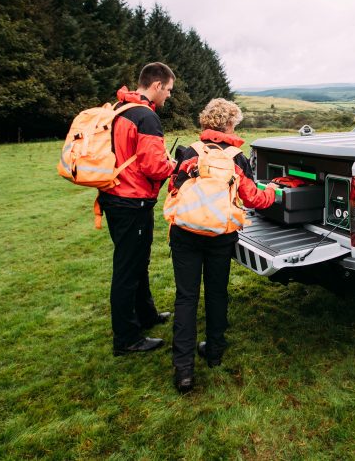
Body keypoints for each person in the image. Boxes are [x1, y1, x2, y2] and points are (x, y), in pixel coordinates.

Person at [166, 98, 278, 393]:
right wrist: (273, 192)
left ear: (206, 122)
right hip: (220, 236)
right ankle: (214, 352)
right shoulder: (237, 158)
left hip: (185, 233)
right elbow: (253, 198)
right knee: (217, 292)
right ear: (229, 124)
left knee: (186, 298)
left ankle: (184, 370)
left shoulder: (191, 151)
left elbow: (173, 187)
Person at [98, 62, 177, 356]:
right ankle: (127, 338)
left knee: (136, 262)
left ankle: (146, 315)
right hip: (132, 201)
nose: (168, 96)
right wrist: (176, 165)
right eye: (168, 90)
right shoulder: (146, 117)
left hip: (114, 196)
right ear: (156, 86)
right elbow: (154, 167)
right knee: (128, 269)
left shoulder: (120, 108)